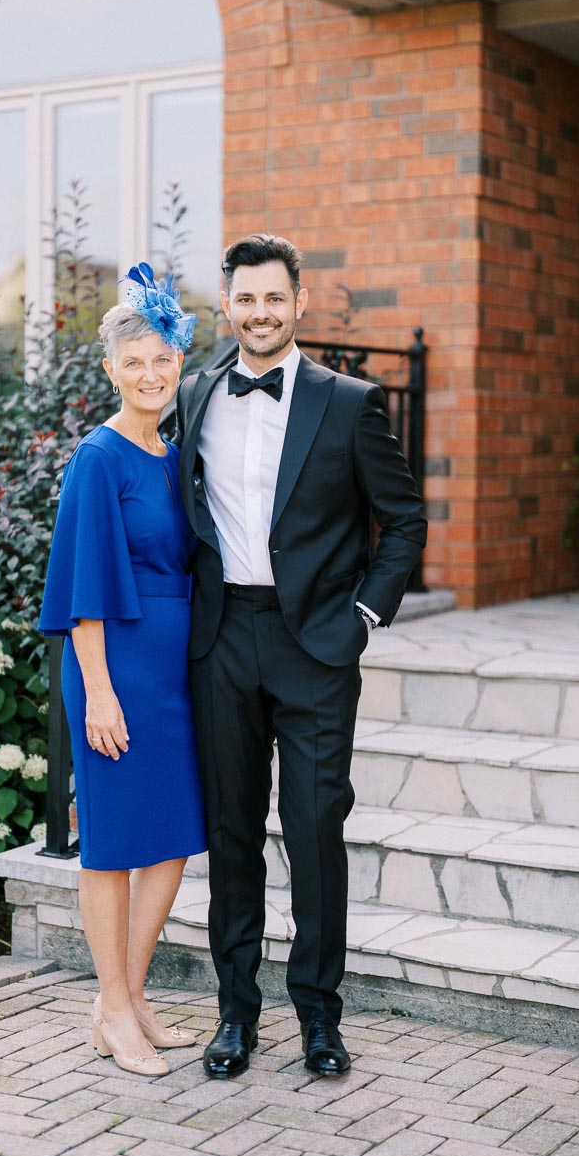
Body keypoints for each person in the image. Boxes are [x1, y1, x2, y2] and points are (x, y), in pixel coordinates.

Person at [176, 233, 427, 1078]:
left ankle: (321, 1017)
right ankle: (235, 1016)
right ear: (228, 306)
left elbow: (405, 521)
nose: (259, 312)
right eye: (245, 299)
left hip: (317, 643)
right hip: (221, 642)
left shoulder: (350, 402)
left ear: (299, 304)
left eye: (273, 298)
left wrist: (364, 615)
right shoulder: (194, 393)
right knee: (232, 831)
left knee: (316, 829)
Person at [39, 263, 207, 1077]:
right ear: (111, 370)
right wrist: (98, 691)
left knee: (171, 837)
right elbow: (84, 591)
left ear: (181, 363)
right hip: (116, 669)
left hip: (177, 675)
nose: (149, 374)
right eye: (133, 362)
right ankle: (111, 1007)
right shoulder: (97, 458)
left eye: (162, 360)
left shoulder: (174, 456)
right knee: (110, 843)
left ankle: (131, 997)